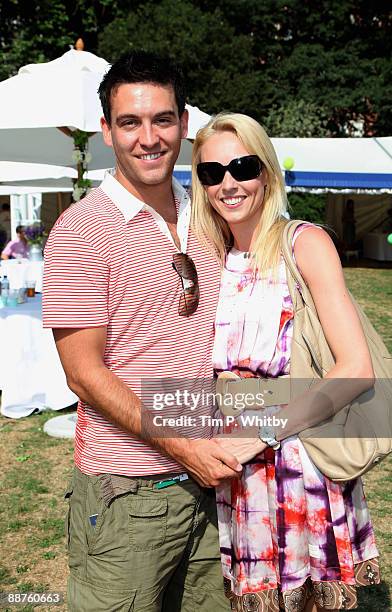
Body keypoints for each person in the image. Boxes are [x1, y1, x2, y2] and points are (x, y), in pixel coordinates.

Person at [42, 52, 241, 612]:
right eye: (129, 122)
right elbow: (83, 374)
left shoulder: (210, 214)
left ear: (184, 123)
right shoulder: (82, 229)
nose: (148, 138)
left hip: (216, 484)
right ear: (106, 130)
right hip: (130, 497)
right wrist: (187, 449)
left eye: (163, 119)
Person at [191, 113, 380, 612]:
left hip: (301, 459)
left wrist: (263, 432)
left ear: (267, 172)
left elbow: (355, 365)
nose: (228, 183)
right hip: (240, 470)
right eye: (211, 173)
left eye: (242, 167)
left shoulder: (304, 243)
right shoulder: (212, 257)